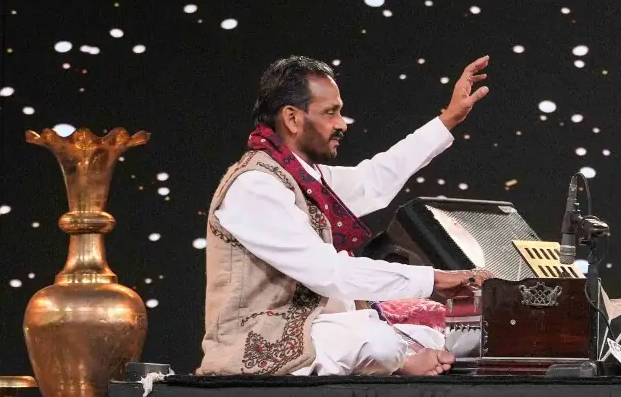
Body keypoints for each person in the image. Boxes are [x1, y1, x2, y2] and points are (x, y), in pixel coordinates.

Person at [198, 55, 494, 377]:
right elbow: (328, 272)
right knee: (377, 341)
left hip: (322, 328)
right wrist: (434, 278)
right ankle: (396, 362)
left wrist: (449, 119)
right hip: (257, 341)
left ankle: (398, 361)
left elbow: (375, 180)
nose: (342, 124)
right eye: (331, 113)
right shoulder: (255, 186)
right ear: (293, 119)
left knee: (433, 334)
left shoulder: (307, 178)